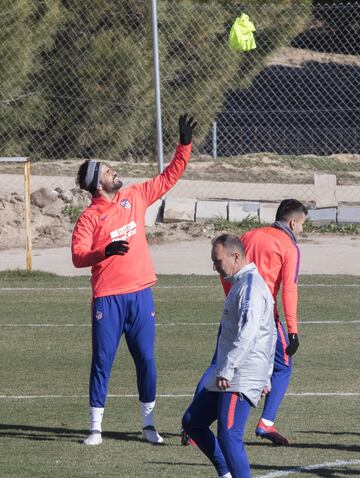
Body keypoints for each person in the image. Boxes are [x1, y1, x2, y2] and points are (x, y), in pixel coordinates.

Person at [72, 114, 197, 446]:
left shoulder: (135, 195)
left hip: (140, 294)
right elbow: (77, 256)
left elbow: (170, 177)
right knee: (102, 361)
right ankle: (95, 428)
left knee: (146, 358)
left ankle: (148, 424)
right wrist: (104, 251)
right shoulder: (88, 217)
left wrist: (184, 145)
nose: (115, 172)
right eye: (108, 171)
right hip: (108, 297)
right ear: (98, 183)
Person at [183, 199, 307, 447]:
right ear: (293, 222)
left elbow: (227, 269)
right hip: (264, 317)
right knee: (284, 365)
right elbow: (289, 289)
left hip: (236, 308)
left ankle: (192, 427)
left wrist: (232, 302)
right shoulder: (290, 247)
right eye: (303, 224)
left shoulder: (250, 235)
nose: (303, 230)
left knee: (219, 362)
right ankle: (266, 423)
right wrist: (292, 330)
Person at [182, 234, 276, 478]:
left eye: (218, 260)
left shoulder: (251, 288)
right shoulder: (241, 284)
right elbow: (272, 331)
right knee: (193, 421)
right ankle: (226, 473)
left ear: (235, 256)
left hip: (240, 374)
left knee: (229, 433)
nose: (214, 267)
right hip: (231, 371)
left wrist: (229, 369)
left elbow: (250, 333)